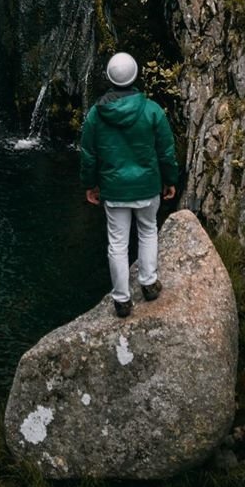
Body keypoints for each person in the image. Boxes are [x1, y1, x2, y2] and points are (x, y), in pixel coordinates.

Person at [80, 51, 179, 318]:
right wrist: (170, 180)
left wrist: (90, 184)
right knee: (148, 232)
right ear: (136, 75)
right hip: (147, 186)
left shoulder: (96, 115)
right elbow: (166, 151)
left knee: (117, 243)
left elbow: (88, 154)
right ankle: (148, 283)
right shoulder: (152, 110)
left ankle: (122, 300)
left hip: (113, 189)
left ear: (110, 78)